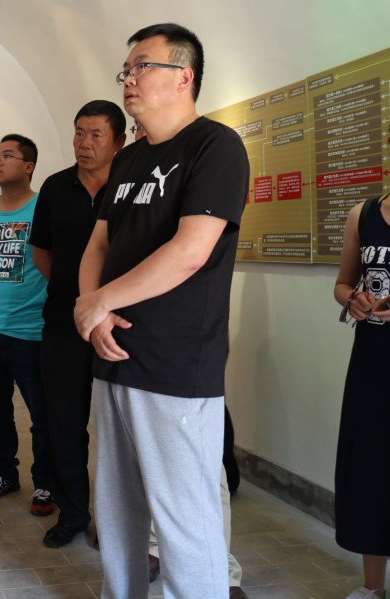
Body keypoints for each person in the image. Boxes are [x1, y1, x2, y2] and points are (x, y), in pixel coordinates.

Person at [75, 23, 248, 598]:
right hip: (112, 355)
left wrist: (101, 301)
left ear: (183, 76)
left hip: (176, 365)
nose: (128, 79)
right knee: (116, 512)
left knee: (183, 520)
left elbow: (191, 251)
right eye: (126, 70)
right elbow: (98, 245)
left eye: (142, 66)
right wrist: (93, 312)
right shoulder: (128, 160)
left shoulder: (215, 146)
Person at [128, 120, 248, 599]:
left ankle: (224, 573)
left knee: (200, 475)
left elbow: (190, 254)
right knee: (148, 468)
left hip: (184, 352)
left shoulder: (210, 154)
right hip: (134, 347)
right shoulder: (132, 177)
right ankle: (156, 549)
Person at [29, 100, 126, 548]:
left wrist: (103, 306)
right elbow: (41, 252)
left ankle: (116, 520)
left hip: (121, 325)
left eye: (95, 135)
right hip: (63, 326)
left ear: (118, 141)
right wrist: (80, 300)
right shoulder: (55, 187)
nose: (84, 144)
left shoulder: (132, 186)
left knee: (119, 430)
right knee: (64, 424)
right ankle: (72, 514)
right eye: (78, 133)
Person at [332, 107, 390, 599]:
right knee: (371, 467)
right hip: (374, 363)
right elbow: (342, 283)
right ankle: (372, 587)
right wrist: (352, 299)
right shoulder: (364, 213)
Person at [0, 134, 53, 516]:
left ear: (29, 166)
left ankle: (46, 481)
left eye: (7, 155)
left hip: (32, 330)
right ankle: (4, 472)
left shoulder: (43, 208)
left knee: (41, 414)